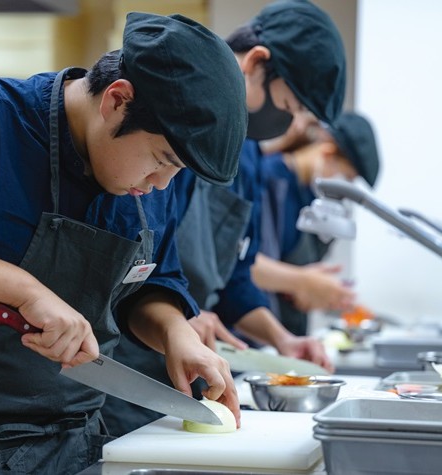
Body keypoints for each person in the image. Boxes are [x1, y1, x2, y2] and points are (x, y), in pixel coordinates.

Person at [0, 13, 248, 473]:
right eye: (162, 161)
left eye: (176, 172)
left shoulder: (144, 184)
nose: (161, 184)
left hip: (82, 446)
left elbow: (152, 283)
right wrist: (25, 290)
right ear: (117, 101)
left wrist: (177, 334)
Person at [102, 0, 346, 437]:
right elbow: (129, 260)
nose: (291, 125)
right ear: (257, 62)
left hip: (186, 352)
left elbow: (235, 273)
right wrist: (178, 317)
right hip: (133, 355)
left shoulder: (246, 156)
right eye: (289, 105)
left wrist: (281, 340)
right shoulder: (163, 126)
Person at [253, 111, 381, 336]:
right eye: (347, 177)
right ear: (328, 153)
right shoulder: (268, 178)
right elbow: (242, 263)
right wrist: (302, 283)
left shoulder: (312, 198)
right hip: (251, 330)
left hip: (288, 330)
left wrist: (312, 289)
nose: (344, 185)